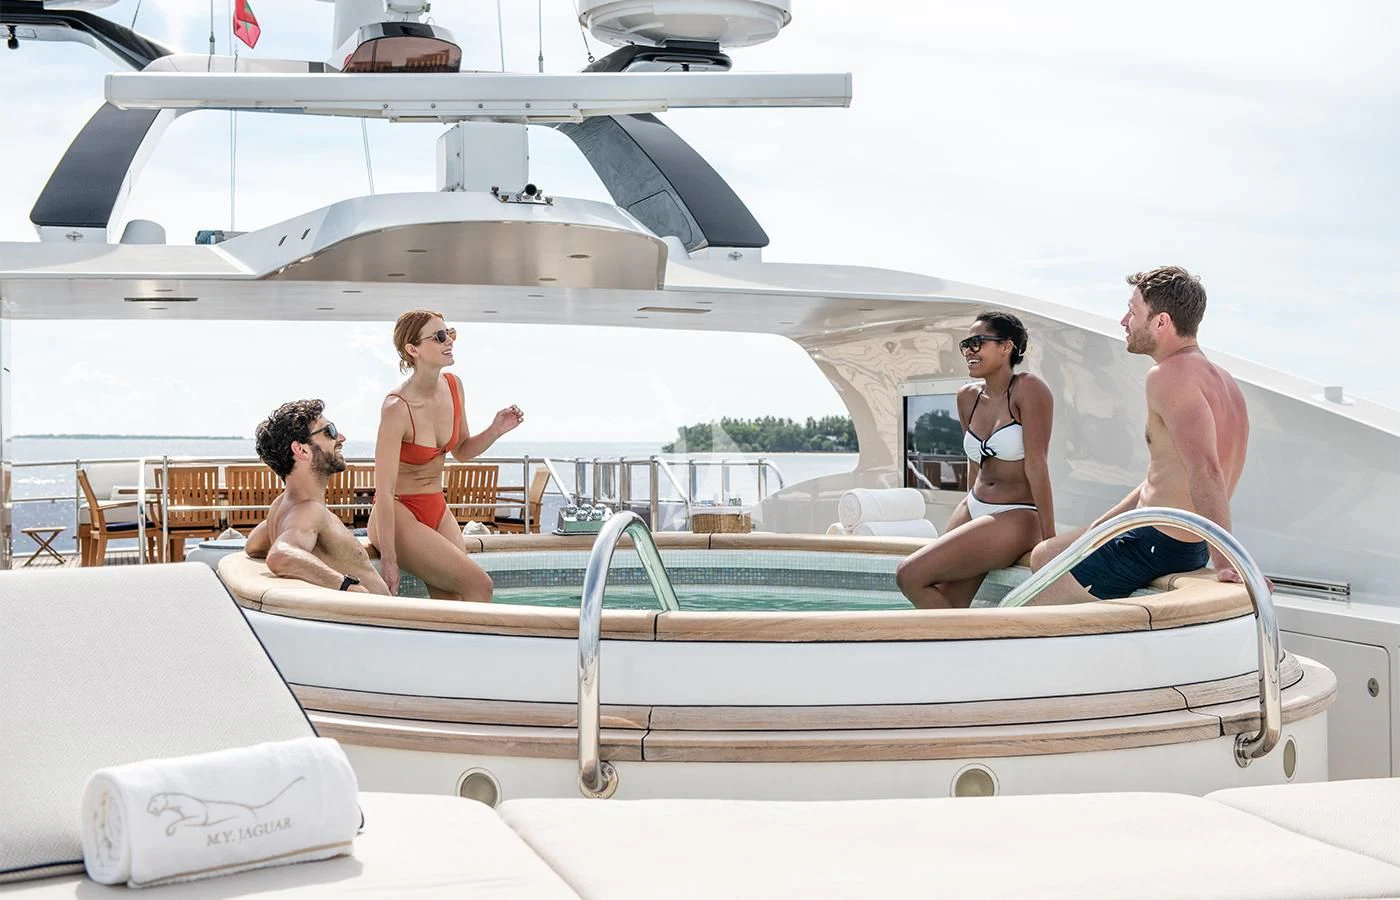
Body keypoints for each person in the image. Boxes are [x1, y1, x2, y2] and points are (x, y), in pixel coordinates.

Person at [1027, 266, 1249, 602]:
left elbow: (1206, 469)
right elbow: (1163, 476)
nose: (1123, 321)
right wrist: (1099, 528)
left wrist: (1227, 560)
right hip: (1175, 541)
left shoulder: (1168, 376)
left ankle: (1099, 635)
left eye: (1132, 312)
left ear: (1161, 322)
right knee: (1046, 553)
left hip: (1157, 544)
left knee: (1035, 600)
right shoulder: (1224, 380)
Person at [896, 312, 1055, 609]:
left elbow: (1037, 464)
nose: (968, 350)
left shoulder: (1029, 389)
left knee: (909, 575)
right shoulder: (966, 397)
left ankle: (963, 645)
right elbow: (975, 461)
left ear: (1006, 346)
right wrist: (969, 510)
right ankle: (961, 647)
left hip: (1017, 514)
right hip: (974, 505)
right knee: (946, 597)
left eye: (977, 342)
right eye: (965, 344)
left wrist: (1049, 542)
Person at [368, 309, 525, 599]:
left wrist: (495, 430)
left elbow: (462, 451)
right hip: (397, 512)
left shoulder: (454, 386)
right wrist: (389, 559)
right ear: (412, 349)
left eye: (450, 333)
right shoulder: (396, 408)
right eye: (440, 336)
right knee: (479, 585)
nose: (449, 341)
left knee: (453, 600)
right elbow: (385, 490)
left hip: (436, 507)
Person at [246, 399, 390, 595]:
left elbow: (253, 545)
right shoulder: (309, 510)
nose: (341, 437)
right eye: (329, 431)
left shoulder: (281, 507)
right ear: (302, 450)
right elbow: (280, 555)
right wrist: (348, 586)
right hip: (379, 622)